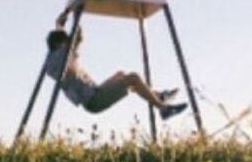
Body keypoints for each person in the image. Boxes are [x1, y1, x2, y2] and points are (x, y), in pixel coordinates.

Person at [45, 14, 188, 119]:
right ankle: (163, 108)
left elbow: (65, 40)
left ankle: (158, 96)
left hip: (95, 92)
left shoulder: (53, 57)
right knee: (133, 78)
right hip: (94, 101)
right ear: (60, 45)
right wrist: (76, 15)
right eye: (65, 42)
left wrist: (59, 26)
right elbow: (78, 36)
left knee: (121, 75)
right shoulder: (62, 55)